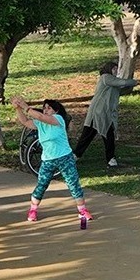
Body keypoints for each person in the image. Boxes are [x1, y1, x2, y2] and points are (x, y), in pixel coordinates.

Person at [11, 96, 92, 227]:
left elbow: (41, 116)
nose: (45, 110)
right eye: (44, 108)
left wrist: (26, 106)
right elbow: (25, 122)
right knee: (41, 185)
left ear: (56, 111)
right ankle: (33, 210)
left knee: (73, 183)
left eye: (49, 108)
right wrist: (18, 108)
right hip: (48, 160)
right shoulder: (40, 123)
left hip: (65, 158)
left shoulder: (58, 119)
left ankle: (82, 211)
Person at [75, 60, 139, 168]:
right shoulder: (106, 77)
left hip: (105, 114)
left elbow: (120, 89)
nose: (116, 71)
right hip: (97, 113)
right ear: (109, 69)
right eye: (114, 68)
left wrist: (130, 85)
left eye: (116, 69)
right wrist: (133, 82)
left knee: (108, 136)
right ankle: (75, 156)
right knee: (87, 136)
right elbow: (122, 83)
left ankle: (110, 159)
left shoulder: (112, 80)